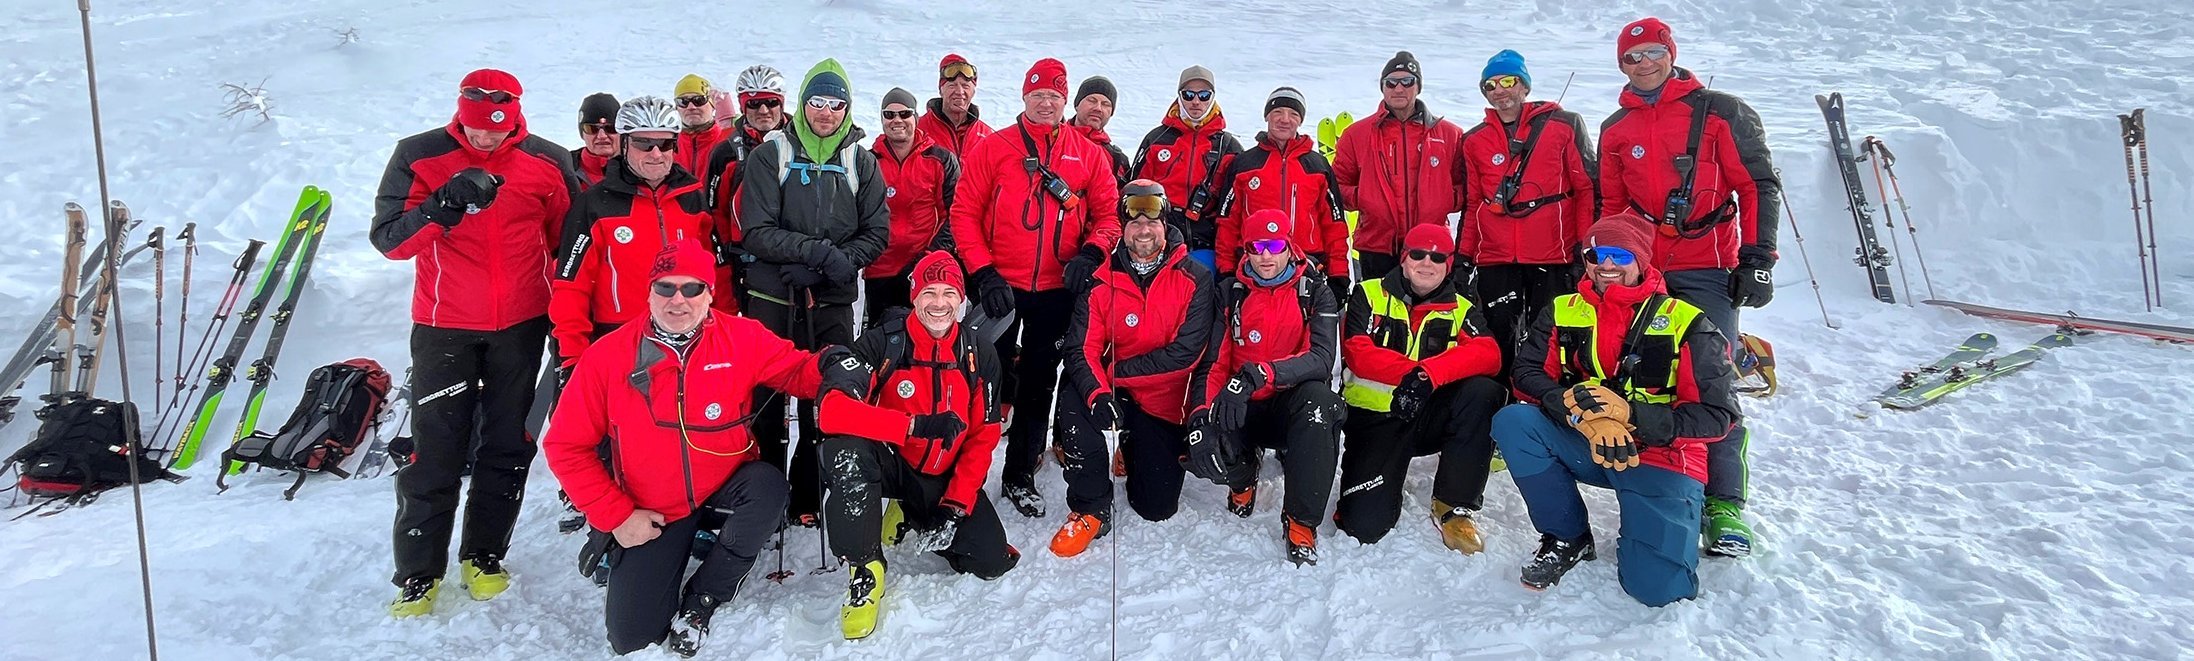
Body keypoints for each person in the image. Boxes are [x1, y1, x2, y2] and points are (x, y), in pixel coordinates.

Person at [544, 240, 870, 656]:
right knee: (632, 637)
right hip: (653, 506)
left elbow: (796, 371)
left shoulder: (741, 337)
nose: (677, 300)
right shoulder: (607, 357)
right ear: (649, 292)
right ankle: (608, 541)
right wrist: (617, 516)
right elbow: (566, 446)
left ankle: (706, 595)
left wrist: (832, 365)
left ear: (710, 293)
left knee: (769, 487)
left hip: (722, 486)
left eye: (692, 288)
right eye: (665, 288)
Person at [369, 68, 578, 616]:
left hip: (522, 323)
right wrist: (443, 205)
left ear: (514, 117)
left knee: (507, 443)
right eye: (476, 128)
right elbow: (390, 241)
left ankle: (484, 554)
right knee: (436, 448)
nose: (485, 138)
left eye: (496, 129)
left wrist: (566, 313)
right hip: (445, 324)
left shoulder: (548, 161)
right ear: (460, 113)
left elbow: (569, 245)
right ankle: (418, 574)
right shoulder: (418, 154)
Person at [1598, 17, 1781, 555]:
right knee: (1643, 372)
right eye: (1632, 57)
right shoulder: (1616, 128)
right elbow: (1612, 208)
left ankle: (1724, 503)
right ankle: (1663, 476)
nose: (1643, 64)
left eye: (1653, 52)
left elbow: (1758, 184)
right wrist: (1607, 264)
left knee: (1711, 377)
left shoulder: (1720, 111)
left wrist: (1758, 257)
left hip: (1707, 264)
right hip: (1644, 270)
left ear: (1671, 53)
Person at [1491, 211, 1738, 606]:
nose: (1605, 265)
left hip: (1660, 456)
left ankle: (1682, 518)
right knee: (1515, 422)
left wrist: (1632, 416)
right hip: (1588, 440)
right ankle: (1566, 534)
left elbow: (1718, 416)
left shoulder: (1687, 322)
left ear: (1641, 260)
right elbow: (1527, 372)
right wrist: (1574, 408)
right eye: (1596, 254)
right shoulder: (1562, 308)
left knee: (1658, 591)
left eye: (1620, 256)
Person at [948, 57, 1122, 518]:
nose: (1046, 103)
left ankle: (1019, 473)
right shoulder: (994, 146)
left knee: (1040, 382)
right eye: (1038, 95)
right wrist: (983, 272)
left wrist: (1091, 254)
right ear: (1024, 97)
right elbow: (963, 213)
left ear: (1065, 102)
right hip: (1000, 286)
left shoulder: (1088, 153)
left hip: (1057, 288)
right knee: (984, 378)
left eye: (1054, 96)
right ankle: (959, 472)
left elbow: (1109, 217)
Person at [816, 251, 1021, 640]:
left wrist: (956, 506)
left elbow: (984, 435)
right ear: (914, 295)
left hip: (943, 476)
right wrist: (914, 426)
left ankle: (913, 512)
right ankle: (865, 569)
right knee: (844, 450)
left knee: (992, 561)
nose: (939, 303)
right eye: (929, 291)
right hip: (893, 461)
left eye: (949, 293)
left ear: (962, 301)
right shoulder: (884, 343)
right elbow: (831, 411)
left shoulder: (979, 353)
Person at [738, 58, 890, 523]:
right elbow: (757, 229)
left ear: (847, 109)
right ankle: (762, 494)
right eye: (817, 102)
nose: (826, 112)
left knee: (827, 393)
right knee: (768, 396)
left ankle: (808, 489)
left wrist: (832, 265)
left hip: (830, 299)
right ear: (803, 105)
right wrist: (817, 254)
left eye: (836, 104)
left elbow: (877, 231)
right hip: (773, 295)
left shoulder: (861, 161)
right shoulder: (772, 154)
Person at [1049, 180, 1216, 556]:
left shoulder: (1195, 278)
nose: (1143, 230)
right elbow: (1081, 348)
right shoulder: (1100, 279)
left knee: (1156, 507)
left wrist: (1112, 374)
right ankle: (1090, 507)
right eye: (1134, 222)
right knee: (1076, 394)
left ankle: (1132, 443)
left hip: (1161, 398)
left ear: (1165, 224)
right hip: (1110, 387)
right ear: (1122, 227)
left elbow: (1184, 355)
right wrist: (1097, 392)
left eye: (1152, 221)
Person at [1335, 223, 1506, 552]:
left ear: (1449, 264)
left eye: (1438, 256)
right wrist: (1414, 375)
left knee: (1485, 391)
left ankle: (1453, 504)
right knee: (1364, 527)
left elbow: (1490, 354)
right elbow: (1358, 352)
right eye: (1418, 254)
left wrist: (1428, 375)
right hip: (1376, 422)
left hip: (1429, 416)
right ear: (1403, 258)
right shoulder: (1368, 294)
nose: (1427, 263)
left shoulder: (1463, 308)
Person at [1185, 210, 1342, 565]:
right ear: (1246, 250)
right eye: (1257, 247)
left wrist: (1260, 374)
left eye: (1274, 245)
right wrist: (1199, 418)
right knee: (1213, 421)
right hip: (1242, 404)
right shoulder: (1229, 292)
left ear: (1290, 246)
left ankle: (1301, 521)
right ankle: (1242, 478)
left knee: (1321, 403)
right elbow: (1214, 363)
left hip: (1290, 405)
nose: (1266, 256)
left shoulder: (1315, 291)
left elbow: (1320, 358)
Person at [1458, 50, 1598, 380]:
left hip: (1553, 257)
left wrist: (1585, 249)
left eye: (1508, 81)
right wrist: (1463, 257)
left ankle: (1548, 405)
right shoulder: (1473, 140)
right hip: (1496, 259)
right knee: (1497, 338)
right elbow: (1472, 203)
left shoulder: (1563, 125)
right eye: (1490, 85)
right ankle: (1497, 406)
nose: (1499, 90)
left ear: (1524, 86)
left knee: (1550, 338)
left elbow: (1586, 190)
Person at [551, 96, 714, 374]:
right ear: (624, 144)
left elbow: (714, 276)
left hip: (686, 337)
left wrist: (713, 331)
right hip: (617, 337)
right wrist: (572, 358)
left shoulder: (692, 198)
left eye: (665, 143)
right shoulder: (595, 204)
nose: (655, 153)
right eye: (643, 143)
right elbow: (570, 287)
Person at [1333, 51, 1467, 281]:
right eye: (1391, 82)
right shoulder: (1357, 134)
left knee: (1430, 314)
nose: (1399, 88)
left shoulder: (1450, 135)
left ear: (1418, 87)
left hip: (1430, 247)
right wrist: (1365, 197)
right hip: (1377, 246)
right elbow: (1336, 187)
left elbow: (1467, 187)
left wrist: (1445, 198)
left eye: (1407, 81)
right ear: (1383, 87)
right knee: (1379, 313)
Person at [1209, 86, 1351, 301]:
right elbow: (1227, 222)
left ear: (1300, 120)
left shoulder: (1317, 165)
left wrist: (1339, 274)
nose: (1285, 119)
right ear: (1267, 116)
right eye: (1278, 112)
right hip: (1256, 265)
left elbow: (1334, 225)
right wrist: (1226, 270)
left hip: (1308, 266)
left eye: (1293, 114)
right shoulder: (1245, 164)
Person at [1130, 65, 1244, 275]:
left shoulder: (1228, 147)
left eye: (1204, 95)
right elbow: (1134, 193)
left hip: (1207, 245)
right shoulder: (1156, 139)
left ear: (1213, 98)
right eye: (1189, 94)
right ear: (1179, 97)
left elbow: (1236, 208)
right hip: (1159, 242)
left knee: (1200, 299)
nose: (1196, 102)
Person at [864, 87, 961, 322]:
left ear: (915, 118)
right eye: (889, 115)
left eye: (904, 114)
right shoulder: (868, 161)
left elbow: (956, 214)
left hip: (925, 267)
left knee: (923, 339)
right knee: (883, 339)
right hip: (880, 269)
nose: (897, 120)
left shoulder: (940, 159)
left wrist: (928, 257)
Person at [702, 65, 791, 309]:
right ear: (742, 106)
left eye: (771, 102)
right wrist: (725, 263)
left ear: (782, 103)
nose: (763, 110)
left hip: (796, 256)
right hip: (746, 260)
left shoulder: (803, 141)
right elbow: (714, 213)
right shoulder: (726, 151)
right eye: (753, 104)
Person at [920, 53, 993, 155]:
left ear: (973, 92)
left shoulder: (987, 135)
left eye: (965, 86)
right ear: (940, 90)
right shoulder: (918, 130)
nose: (959, 91)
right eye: (952, 86)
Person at [1070, 75, 1130, 185]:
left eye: (1105, 104)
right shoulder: (1053, 140)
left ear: (1111, 113)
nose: (1098, 108)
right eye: (1092, 101)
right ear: (1077, 104)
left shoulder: (1117, 159)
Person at [672, 74, 730, 175]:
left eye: (699, 100)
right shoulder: (667, 146)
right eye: (683, 101)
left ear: (712, 105)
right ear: (677, 107)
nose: (691, 107)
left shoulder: (729, 143)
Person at [572, 92, 620, 186]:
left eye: (611, 128)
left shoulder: (641, 169)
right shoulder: (564, 170)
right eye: (592, 129)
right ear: (582, 133)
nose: (601, 136)